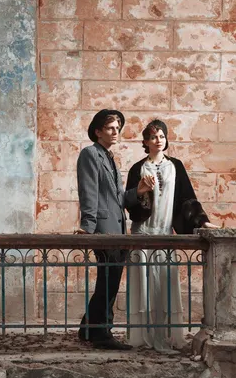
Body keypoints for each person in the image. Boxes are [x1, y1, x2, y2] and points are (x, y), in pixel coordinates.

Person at [124, 119, 219, 354]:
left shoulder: (175, 166)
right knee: (144, 286)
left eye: (162, 136)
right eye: (154, 137)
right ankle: (142, 336)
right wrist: (141, 192)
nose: (159, 140)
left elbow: (187, 198)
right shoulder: (137, 168)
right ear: (145, 141)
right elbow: (129, 204)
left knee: (165, 285)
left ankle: (167, 335)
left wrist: (202, 221)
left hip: (165, 234)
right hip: (142, 233)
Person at [75, 109, 133, 350]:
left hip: (117, 228)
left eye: (118, 128)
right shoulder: (90, 154)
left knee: (109, 280)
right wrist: (87, 228)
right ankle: (102, 333)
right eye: (111, 128)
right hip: (103, 228)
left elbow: (118, 197)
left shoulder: (108, 157)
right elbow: (88, 193)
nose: (116, 132)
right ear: (97, 131)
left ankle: (88, 327)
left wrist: (137, 193)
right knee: (108, 281)